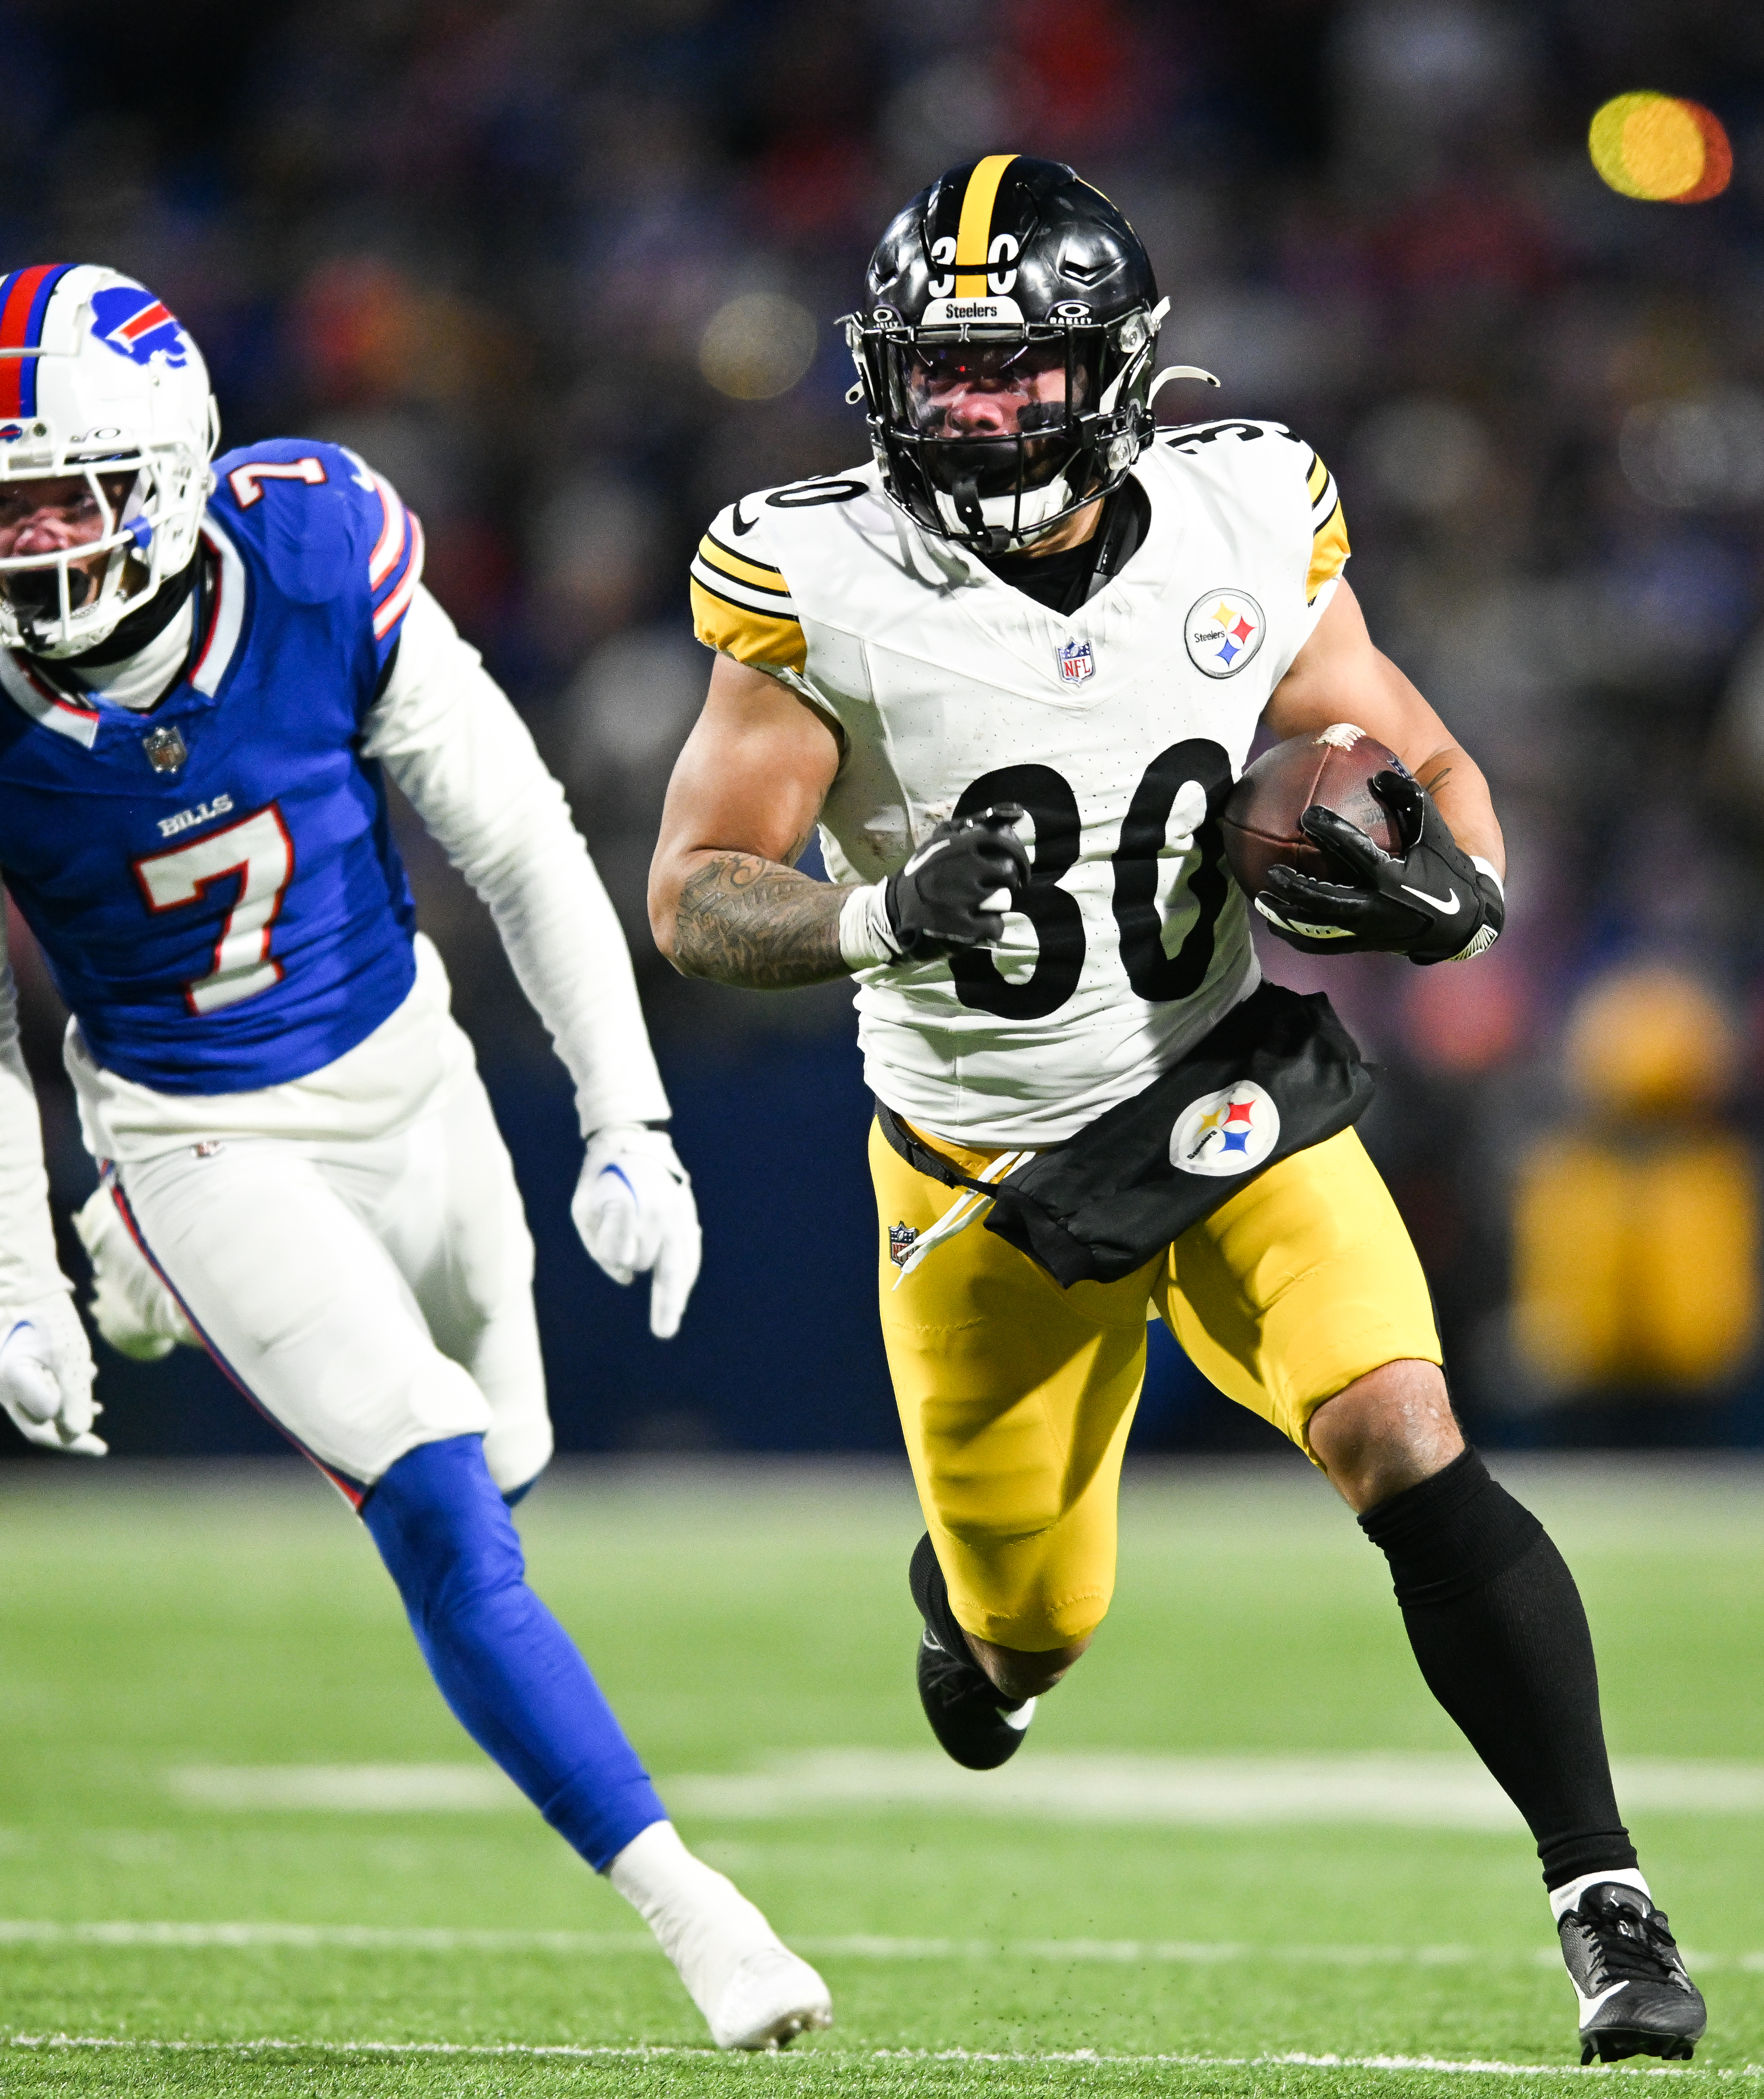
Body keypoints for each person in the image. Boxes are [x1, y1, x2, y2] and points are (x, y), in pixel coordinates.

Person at [645, 156, 1707, 2065]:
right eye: (938, 377)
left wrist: (1460, 887)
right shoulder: (818, 570)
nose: (972, 414)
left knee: (1402, 1432)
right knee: (1028, 1632)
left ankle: (1605, 1900)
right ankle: (981, 1645)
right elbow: (700, 888)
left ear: (1115, 370)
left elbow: (1416, 746)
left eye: (1015, 372)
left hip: (1222, 1097)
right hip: (983, 1174)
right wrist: (881, 912)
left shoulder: (1247, 510)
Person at [0, 263, 829, 2051]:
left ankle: (160, 1276)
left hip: (412, 1076)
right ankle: (705, 1919)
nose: (26, 535)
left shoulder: (313, 558)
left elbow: (521, 839)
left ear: (170, 468)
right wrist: (13, 1283)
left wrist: (631, 1121)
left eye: (65, 487)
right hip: (194, 1124)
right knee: (445, 1509)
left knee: (506, 1468)